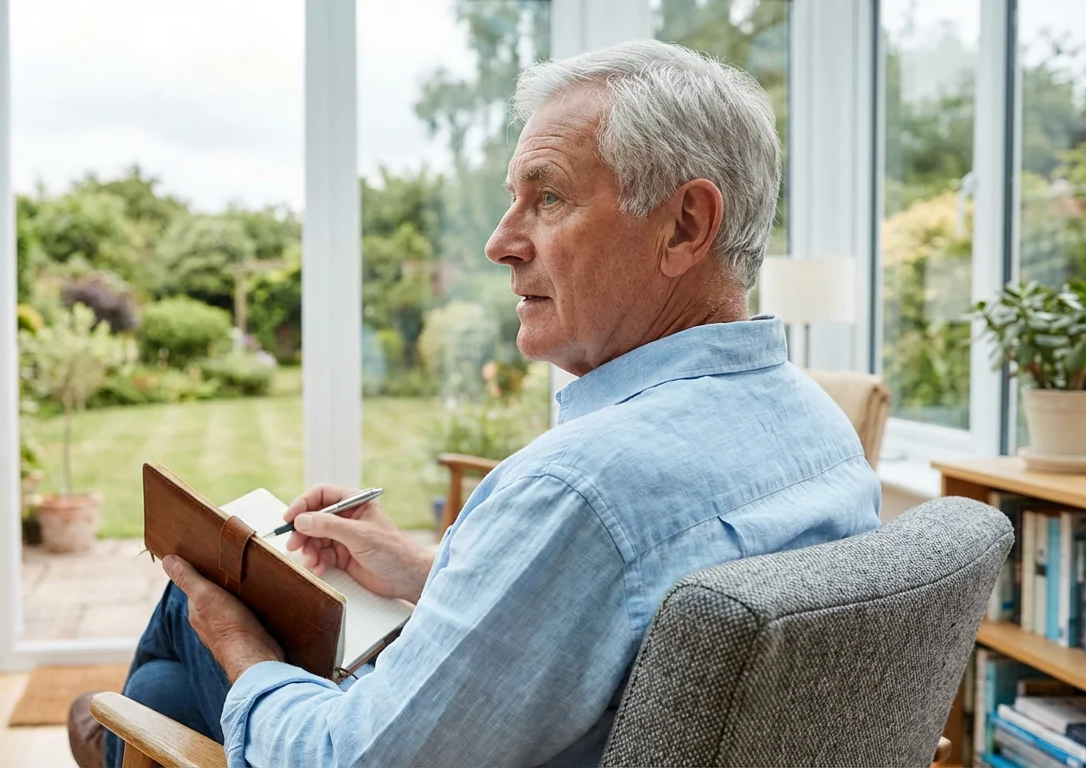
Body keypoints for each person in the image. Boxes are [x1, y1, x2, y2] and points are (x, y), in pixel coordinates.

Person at [68, 39, 881, 767]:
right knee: (169, 695)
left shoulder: (579, 493)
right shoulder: (820, 434)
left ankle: (115, 739)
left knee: (191, 615)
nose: (500, 240)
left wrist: (243, 647)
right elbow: (621, 613)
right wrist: (428, 573)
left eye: (548, 197)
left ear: (685, 225)